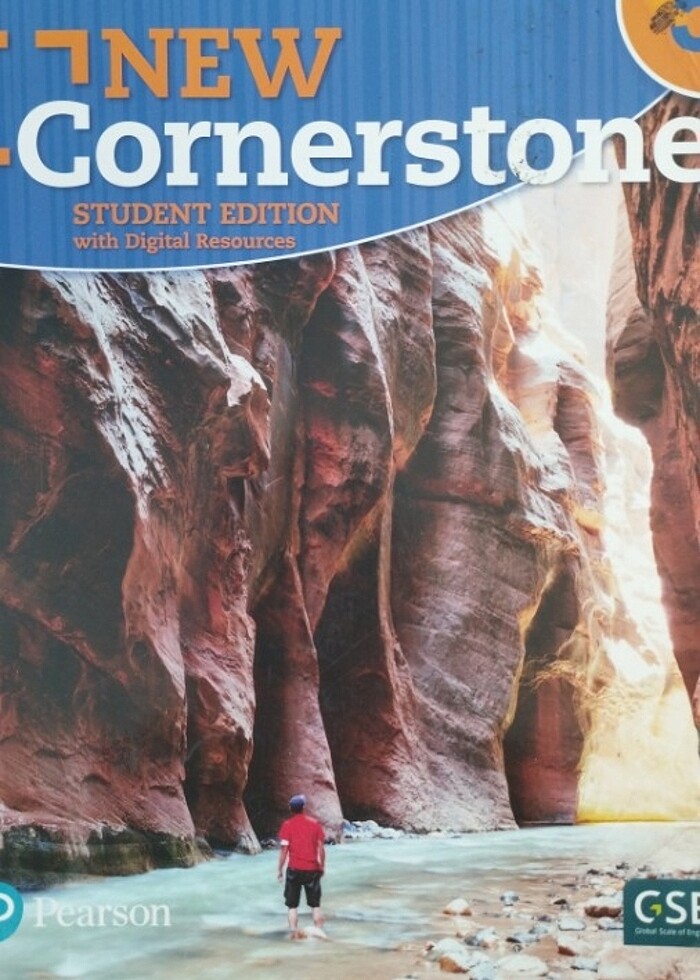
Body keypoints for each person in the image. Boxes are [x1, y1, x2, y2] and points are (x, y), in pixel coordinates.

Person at [277, 794, 326, 934]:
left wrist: (280, 869)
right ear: (303, 808)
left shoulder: (287, 825)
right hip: (312, 869)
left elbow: (284, 849)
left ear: (290, 809)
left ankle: (294, 933)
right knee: (315, 905)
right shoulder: (314, 824)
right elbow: (320, 848)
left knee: (292, 906)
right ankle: (319, 933)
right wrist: (322, 866)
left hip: (294, 869)